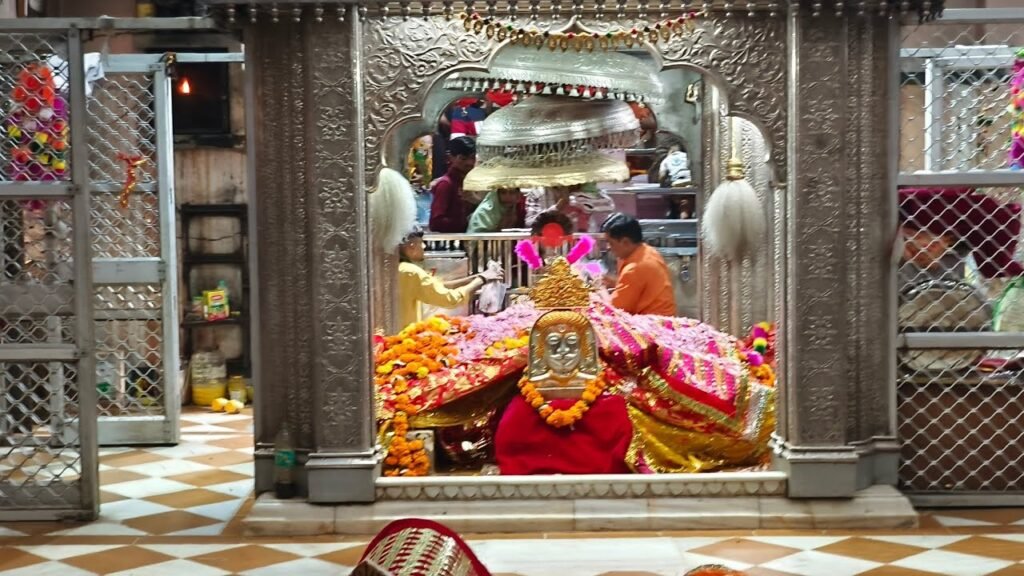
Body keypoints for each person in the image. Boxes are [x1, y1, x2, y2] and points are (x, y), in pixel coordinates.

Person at [397, 227, 502, 329]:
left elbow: (436, 285)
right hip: (401, 337)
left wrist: (476, 277)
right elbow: (450, 299)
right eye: (421, 242)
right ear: (411, 246)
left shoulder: (398, 268)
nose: (424, 246)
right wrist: (481, 280)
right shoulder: (411, 272)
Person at [601, 213, 676, 316]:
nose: (608, 247)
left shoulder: (634, 268)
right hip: (664, 318)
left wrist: (600, 289)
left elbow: (613, 310)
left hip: (652, 325)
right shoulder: (649, 251)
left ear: (625, 242)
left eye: (611, 243)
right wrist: (615, 283)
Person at [429, 136, 477, 233]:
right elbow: (436, 222)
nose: (469, 162)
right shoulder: (445, 184)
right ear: (450, 157)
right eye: (463, 158)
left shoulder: (471, 182)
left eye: (472, 158)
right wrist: (467, 223)